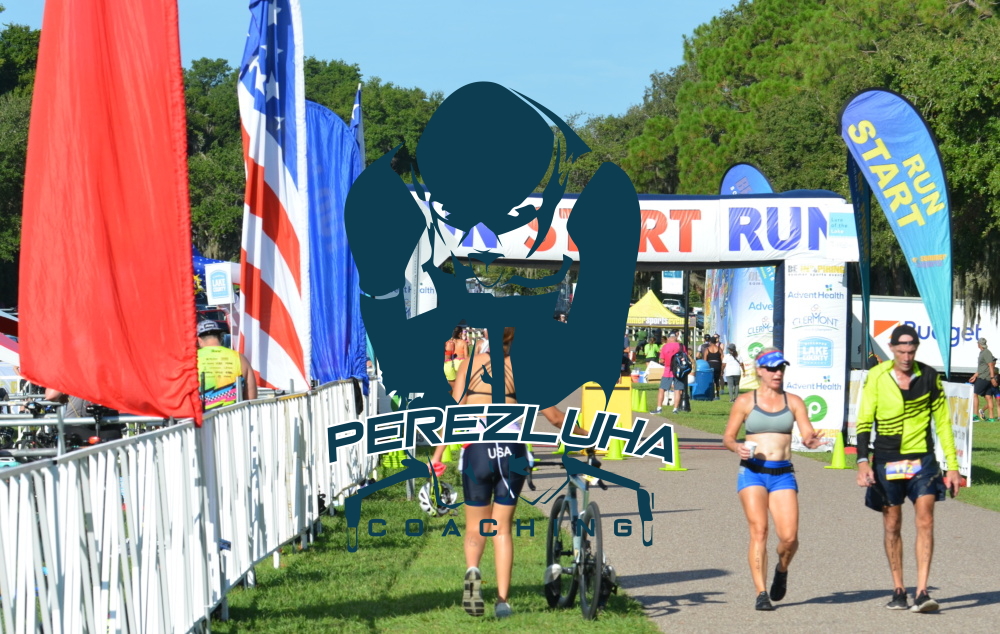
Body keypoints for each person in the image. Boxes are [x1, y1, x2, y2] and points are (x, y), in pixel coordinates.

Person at [429, 327, 568, 619]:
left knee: (475, 527)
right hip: (511, 451)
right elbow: (555, 418)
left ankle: (473, 571)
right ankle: (503, 602)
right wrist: (586, 433)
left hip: (477, 451)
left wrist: (437, 457)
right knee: (501, 529)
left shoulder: (468, 366)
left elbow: (453, 413)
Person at [856, 324, 961, 613]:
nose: (906, 357)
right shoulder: (877, 376)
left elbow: (943, 423)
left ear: (916, 350)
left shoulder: (929, 376)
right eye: (901, 351)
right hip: (887, 459)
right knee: (892, 524)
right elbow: (864, 420)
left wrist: (952, 467)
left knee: (925, 519)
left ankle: (922, 592)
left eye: (911, 351)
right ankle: (899, 589)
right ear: (891, 348)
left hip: (921, 460)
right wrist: (863, 461)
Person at [723, 347, 821, 611]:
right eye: (772, 368)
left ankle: (782, 569)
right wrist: (737, 447)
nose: (777, 373)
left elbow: (807, 432)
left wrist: (810, 440)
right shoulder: (745, 401)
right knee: (759, 530)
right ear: (760, 371)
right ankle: (761, 593)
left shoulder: (794, 401)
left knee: (789, 538)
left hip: (782, 475)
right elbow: (728, 438)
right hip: (752, 472)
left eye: (781, 368)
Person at [197, 320, 257, 409]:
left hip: (203, 415)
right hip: (234, 415)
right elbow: (251, 399)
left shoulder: (192, 359)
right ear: (220, 337)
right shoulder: (240, 358)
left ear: (199, 339)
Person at [652, 332, 689, 415]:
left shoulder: (665, 347)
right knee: (677, 390)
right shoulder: (682, 346)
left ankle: (659, 408)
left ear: (668, 338)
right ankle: (675, 409)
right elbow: (685, 357)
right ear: (675, 338)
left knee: (662, 389)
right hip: (679, 370)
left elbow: (661, 360)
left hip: (668, 370)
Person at [968, 337, 996, 421]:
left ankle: (975, 416)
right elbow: (982, 368)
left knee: (974, 394)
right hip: (983, 376)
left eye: (978, 343)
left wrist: (992, 377)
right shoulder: (982, 352)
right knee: (988, 397)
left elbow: (991, 365)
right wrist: (974, 376)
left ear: (979, 344)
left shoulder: (986, 352)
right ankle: (991, 418)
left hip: (984, 377)